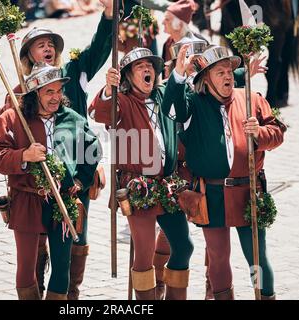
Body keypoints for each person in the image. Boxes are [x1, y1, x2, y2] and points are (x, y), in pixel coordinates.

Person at [6, 0, 113, 299]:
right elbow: (8, 136)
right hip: (35, 180)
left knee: (76, 235)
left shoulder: (74, 69)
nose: (48, 48)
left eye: (51, 43)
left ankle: (70, 295)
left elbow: (99, 48)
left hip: (76, 172)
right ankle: (38, 288)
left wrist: (107, 15)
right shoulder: (19, 91)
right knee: (38, 240)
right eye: (40, 45)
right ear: (28, 54)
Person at [162, 44, 286, 299]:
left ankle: (265, 294)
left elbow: (278, 132)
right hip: (212, 194)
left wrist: (259, 134)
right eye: (220, 72)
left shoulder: (250, 98)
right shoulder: (193, 105)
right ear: (206, 80)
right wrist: (178, 75)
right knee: (218, 258)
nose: (228, 75)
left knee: (257, 259)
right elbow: (171, 109)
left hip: (248, 191)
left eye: (229, 70)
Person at [0, 63, 100, 300]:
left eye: (59, 91)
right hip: (27, 199)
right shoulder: (13, 118)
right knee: (27, 267)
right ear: (34, 93)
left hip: (63, 202)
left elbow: (93, 149)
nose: (56, 97)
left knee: (61, 266)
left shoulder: (72, 119)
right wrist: (24, 156)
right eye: (49, 92)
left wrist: (80, 181)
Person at [89, 47, 194, 300]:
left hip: (168, 185)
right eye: (139, 67)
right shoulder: (122, 101)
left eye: (150, 65)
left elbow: (181, 98)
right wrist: (107, 89)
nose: (147, 69)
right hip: (138, 187)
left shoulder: (162, 96)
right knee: (144, 253)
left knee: (183, 247)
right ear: (127, 76)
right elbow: (99, 112)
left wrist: (181, 71)